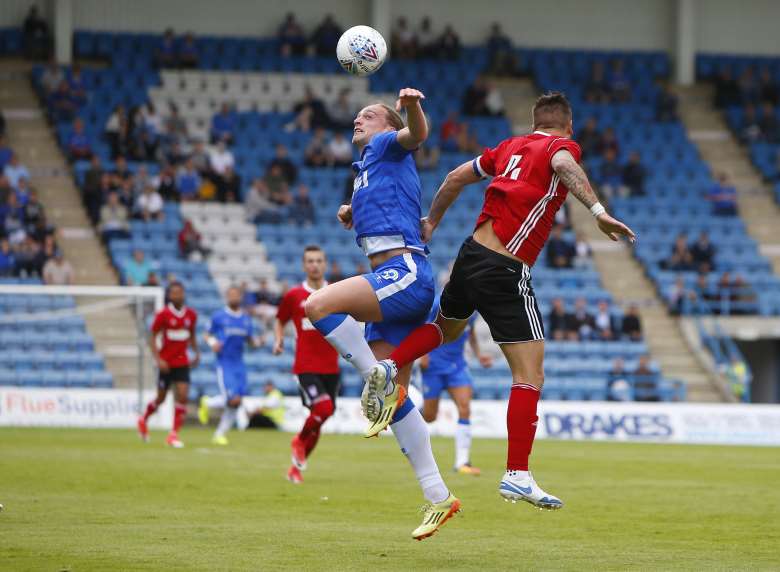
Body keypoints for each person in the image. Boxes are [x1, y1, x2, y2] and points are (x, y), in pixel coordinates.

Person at [362, 92, 634, 511]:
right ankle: (517, 474)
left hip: (470, 254)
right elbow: (563, 165)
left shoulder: (509, 146)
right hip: (506, 266)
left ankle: (389, 365)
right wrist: (597, 210)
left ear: (532, 122)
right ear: (569, 125)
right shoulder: (561, 147)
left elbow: (454, 176)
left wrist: (431, 221)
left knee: (444, 329)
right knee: (530, 374)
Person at [302, 89, 461, 540]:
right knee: (396, 406)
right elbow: (394, 200)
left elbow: (418, 134)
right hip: (395, 280)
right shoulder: (366, 169)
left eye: (368, 116)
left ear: (388, 127)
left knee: (316, 305)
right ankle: (438, 495)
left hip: (404, 272)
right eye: (356, 116)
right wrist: (354, 210)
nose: (358, 120)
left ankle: (379, 375)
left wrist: (410, 106)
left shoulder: (387, 144)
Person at [273, 245, 340, 484]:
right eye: (310, 261)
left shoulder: (335, 293)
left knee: (321, 417)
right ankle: (298, 441)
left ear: (325, 264)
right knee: (322, 409)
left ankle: (296, 467)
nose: (314, 265)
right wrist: (279, 339)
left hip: (331, 366)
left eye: (319, 261)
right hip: (306, 366)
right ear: (304, 266)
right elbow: (279, 320)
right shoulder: (293, 296)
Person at [419, 296, 492, 475]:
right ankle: (411, 413)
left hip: (457, 366)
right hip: (433, 365)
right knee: (429, 417)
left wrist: (478, 353)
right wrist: (422, 354)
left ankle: (462, 463)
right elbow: (422, 326)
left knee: (465, 407)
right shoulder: (437, 303)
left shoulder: (473, 307)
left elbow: (470, 331)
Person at [137, 282, 200, 448]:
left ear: (184, 294)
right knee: (161, 398)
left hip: (182, 362)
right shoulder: (163, 315)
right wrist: (158, 359)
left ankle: (173, 434)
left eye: (179, 293)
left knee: (183, 395)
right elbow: (152, 338)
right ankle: (143, 419)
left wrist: (197, 352)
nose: (177, 296)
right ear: (169, 296)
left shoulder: (191, 315)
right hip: (166, 363)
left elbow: (191, 335)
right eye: (174, 293)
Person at [198, 286, 262, 445]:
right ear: (227, 297)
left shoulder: (246, 319)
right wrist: (212, 342)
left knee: (237, 401)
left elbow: (251, 341)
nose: (234, 297)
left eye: (236, 295)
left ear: (240, 297)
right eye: (231, 295)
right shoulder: (219, 316)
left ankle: (219, 434)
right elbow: (206, 334)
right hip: (224, 363)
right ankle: (207, 403)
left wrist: (259, 342)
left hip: (239, 364)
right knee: (232, 399)